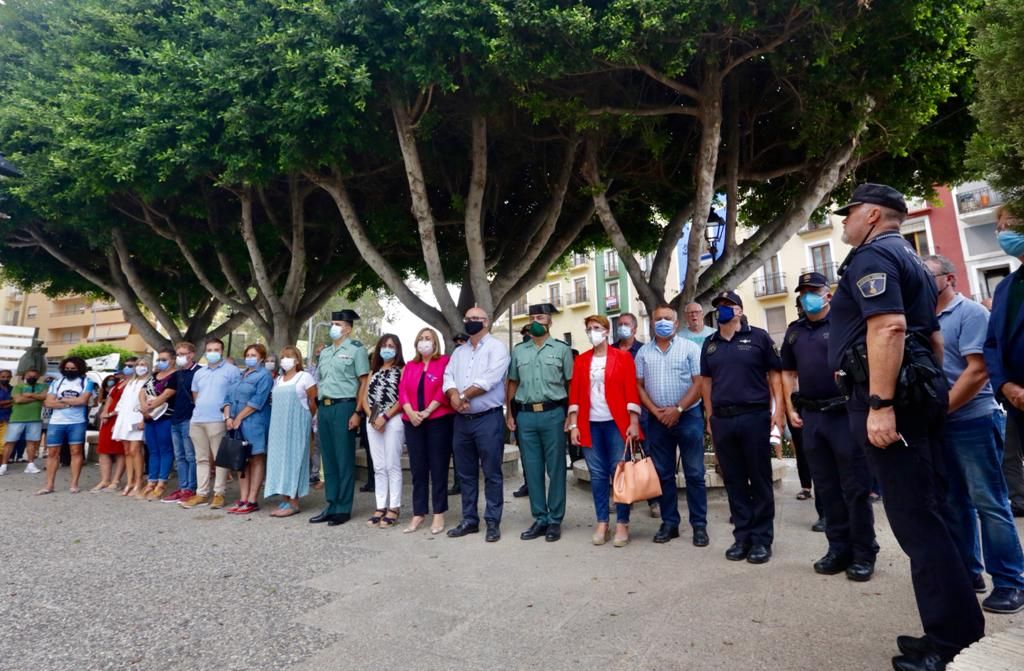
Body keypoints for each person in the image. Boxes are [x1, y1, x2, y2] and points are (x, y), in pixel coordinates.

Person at [829, 183, 984, 669]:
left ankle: (949, 644)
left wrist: (881, 403)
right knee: (933, 515)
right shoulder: (913, 259)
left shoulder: (872, 258)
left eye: (849, 212)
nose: (844, 221)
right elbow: (933, 341)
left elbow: (890, 327)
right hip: (920, 402)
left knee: (919, 524)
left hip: (891, 408)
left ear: (872, 214)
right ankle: (955, 630)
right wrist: (928, 395)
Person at [925, 254, 1024, 613]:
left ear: (949, 278)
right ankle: (968, 572)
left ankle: (1012, 581)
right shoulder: (924, 318)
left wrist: (940, 410)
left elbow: (978, 371)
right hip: (943, 424)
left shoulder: (970, 313)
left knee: (989, 503)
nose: (921, 281)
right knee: (954, 503)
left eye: (928, 275)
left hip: (974, 420)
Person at [782, 272, 878, 581]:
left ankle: (864, 551)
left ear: (827, 293)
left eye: (814, 290)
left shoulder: (846, 323)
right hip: (812, 416)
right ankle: (838, 548)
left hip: (845, 413)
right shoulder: (794, 332)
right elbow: (786, 372)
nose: (807, 295)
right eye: (803, 291)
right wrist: (789, 407)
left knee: (855, 487)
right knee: (826, 487)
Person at [701, 290, 784, 564]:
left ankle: (762, 540)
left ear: (739, 310)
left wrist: (778, 411)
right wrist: (710, 418)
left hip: (754, 416)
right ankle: (742, 537)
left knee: (759, 479)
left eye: (728, 305)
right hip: (723, 420)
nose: (722, 310)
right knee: (734, 481)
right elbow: (707, 382)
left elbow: (774, 375)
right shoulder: (709, 344)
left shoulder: (758, 337)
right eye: (719, 306)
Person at [635, 304, 708, 547]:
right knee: (663, 474)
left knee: (695, 473)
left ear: (677, 324)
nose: (662, 322)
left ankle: (699, 526)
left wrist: (677, 409)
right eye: (658, 319)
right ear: (652, 323)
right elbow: (639, 386)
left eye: (668, 318)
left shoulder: (689, 348)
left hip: (688, 416)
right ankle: (670, 523)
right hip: (657, 420)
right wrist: (655, 411)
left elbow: (698, 384)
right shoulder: (643, 353)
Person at [568, 315, 642, 546]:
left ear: (607, 331)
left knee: (619, 473)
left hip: (616, 423)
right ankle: (602, 522)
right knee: (598, 475)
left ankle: (622, 523)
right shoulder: (581, 360)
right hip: (590, 424)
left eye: (597, 328)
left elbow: (632, 390)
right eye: (589, 328)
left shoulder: (622, 357)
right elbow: (575, 394)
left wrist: (633, 422)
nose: (592, 332)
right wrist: (573, 425)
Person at [506, 303, 574, 543]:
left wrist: (570, 415)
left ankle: (555, 519)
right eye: (533, 317)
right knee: (532, 469)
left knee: (555, 468)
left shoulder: (562, 350)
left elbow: (570, 384)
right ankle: (540, 518)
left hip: (553, 413)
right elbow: (512, 382)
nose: (537, 320)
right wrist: (510, 415)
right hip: (526, 415)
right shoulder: (519, 351)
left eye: (541, 317)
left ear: (550, 322)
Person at [443, 307, 511, 542]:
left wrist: (462, 397)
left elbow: (490, 379)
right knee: (465, 473)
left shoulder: (497, 348)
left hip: (488, 419)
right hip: (462, 421)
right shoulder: (459, 352)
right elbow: (448, 377)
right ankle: (469, 520)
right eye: (468, 318)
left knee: (492, 472)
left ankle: (493, 521)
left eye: (476, 319)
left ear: (487, 322)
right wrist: (453, 396)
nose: (471, 322)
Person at [313, 309, 370, 526]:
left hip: (344, 406)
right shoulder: (326, 352)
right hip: (325, 407)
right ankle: (332, 503)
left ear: (347, 328)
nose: (333, 328)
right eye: (332, 323)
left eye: (337, 324)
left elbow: (363, 382)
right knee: (328, 459)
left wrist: (357, 412)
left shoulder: (356, 350)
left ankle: (343, 507)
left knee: (344, 458)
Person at [986, 204, 1024, 523]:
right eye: (999, 227)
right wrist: (1005, 385)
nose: (1002, 232)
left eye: (1009, 224)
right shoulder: (1005, 288)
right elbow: (992, 345)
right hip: (1016, 402)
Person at [399, 328, 453, 534]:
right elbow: (402, 390)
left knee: (438, 467)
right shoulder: (411, 366)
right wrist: (411, 412)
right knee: (418, 468)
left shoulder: (444, 362)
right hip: (413, 422)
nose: (424, 342)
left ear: (435, 343)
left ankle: (439, 513)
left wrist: (428, 410)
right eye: (421, 339)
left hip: (438, 420)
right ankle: (418, 513)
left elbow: (444, 388)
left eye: (428, 339)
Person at [181, 337, 241, 510]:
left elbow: (234, 396)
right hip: (198, 419)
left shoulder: (232, 371)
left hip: (218, 420)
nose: (212, 353)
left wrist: (229, 417)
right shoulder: (200, 372)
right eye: (209, 350)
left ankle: (219, 494)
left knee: (220, 459)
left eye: (216, 349)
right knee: (201, 459)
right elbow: (195, 395)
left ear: (222, 351)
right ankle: (201, 493)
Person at [265, 346, 317, 517]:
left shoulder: (305, 377)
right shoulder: (279, 379)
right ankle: (285, 498)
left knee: (294, 461)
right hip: (278, 426)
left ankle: (294, 502)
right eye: (283, 356)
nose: (285, 360)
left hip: (296, 425)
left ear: (297, 359)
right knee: (280, 462)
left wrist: (307, 419)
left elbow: (312, 401)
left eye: (289, 356)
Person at [360, 334, 405, 527]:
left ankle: (394, 507)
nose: (387, 349)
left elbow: (403, 398)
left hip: (393, 420)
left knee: (392, 464)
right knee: (378, 466)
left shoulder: (402, 370)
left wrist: (385, 417)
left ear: (397, 349)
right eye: (384, 345)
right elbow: (364, 398)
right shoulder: (374, 372)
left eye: (391, 346)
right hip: (373, 421)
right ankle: (380, 505)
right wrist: (373, 418)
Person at [223, 344, 273, 515]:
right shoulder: (239, 374)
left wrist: (239, 417)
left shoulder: (264, 376)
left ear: (261, 358)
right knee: (240, 460)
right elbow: (227, 398)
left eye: (253, 355)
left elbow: (258, 401)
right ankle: (243, 498)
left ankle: (252, 499)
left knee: (255, 459)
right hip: (235, 423)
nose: (250, 357)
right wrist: (228, 417)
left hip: (254, 423)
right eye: (248, 354)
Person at [39, 357, 95, 495]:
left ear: (79, 369)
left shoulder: (87, 382)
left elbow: (83, 400)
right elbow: (48, 403)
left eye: (73, 369)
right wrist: (71, 402)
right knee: (52, 453)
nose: (69, 371)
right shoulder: (57, 383)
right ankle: (49, 484)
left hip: (77, 422)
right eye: (67, 368)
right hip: (56, 422)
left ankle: (74, 483)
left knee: (76, 452)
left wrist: (62, 400)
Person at [161, 342, 201, 503]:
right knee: (180, 456)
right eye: (178, 354)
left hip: (190, 418)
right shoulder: (177, 374)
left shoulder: (200, 372)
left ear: (191, 354)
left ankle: (191, 488)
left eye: (183, 354)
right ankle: (183, 486)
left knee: (191, 456)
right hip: (176, 418)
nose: (180, 357)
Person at [138, 349, 177, 501]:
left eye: (164, 359)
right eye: (159, 359)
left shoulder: (175, 376)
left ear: (172, 360)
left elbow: (167, 394)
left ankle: (162, 482)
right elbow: (142, 392)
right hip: (149, 418)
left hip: (165, 417)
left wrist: (150, 406)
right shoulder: (154, 376)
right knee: (153, 450)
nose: (160, 362)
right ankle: (151, 481)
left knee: (165, 450)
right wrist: (143, 407)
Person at [112, 360, 150, 498]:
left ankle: (139, 481)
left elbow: (148, 401)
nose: (140, 367)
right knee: (127, 451)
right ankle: (130, 481)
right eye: (138, 365)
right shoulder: (130, 383)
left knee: (135, 450)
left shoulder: (149, 382)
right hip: (124, 419)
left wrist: (143, 419)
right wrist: (117, 421)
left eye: (144, 365)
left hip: (137, 418)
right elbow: (121, 403)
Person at [0, 368, 47, 476]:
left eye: (34, 376)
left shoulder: (43, 386)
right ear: (24, 376)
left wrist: (28, 395)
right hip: (17, 419)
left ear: (38, 377)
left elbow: (44, 396)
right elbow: (18, 400)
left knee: (31, 442)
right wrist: (37, 397)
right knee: (9, 442)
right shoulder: (18, 387)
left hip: (35, 419)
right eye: (29, 376)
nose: (32, 378)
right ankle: (3, 466)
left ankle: (30, 465)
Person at [91, 373, 126, 492]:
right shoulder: (119, 384)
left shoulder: (132, 384)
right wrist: (105, 412)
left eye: (131, 365)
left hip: (120, 418)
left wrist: (111, 414)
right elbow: (109, 399)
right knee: (103, 449)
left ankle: (116, 481)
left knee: (119, 450)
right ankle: (105, 480)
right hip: (107, 419)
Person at [447, 332, 470, 496]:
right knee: (456, 450)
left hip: (470, 410)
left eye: (463, 341)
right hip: (452, 413)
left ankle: (466, 482)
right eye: (457, 341)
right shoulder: (451, 362)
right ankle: (457, 482)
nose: (459, 344)